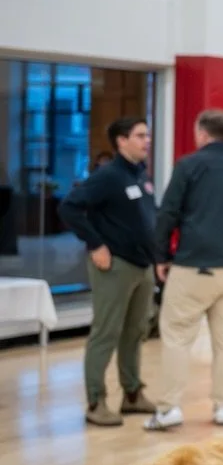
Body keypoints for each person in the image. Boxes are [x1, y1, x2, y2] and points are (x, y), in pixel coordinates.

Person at [146, 109, 223, 429]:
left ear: (202, 133)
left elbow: (167, 213)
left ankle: (169, 408)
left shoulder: (188, 165)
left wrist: (161, 257)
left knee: (176, 336)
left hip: (195, 265)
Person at [57, 116, 159, 427]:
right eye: (140, 135)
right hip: (116, 265)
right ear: (121, 141)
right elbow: (69, 207)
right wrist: (96, 244)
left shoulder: (140, 175)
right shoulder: (108, 176)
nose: (147, 141)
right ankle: (95, 401)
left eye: (147, 135)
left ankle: (132, 394)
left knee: (136, 331)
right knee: (106, 332)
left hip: (143, 265)